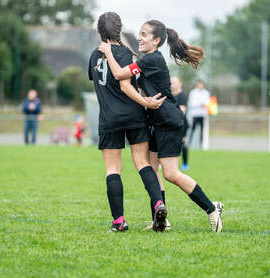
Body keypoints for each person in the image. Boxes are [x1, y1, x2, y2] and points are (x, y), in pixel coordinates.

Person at [99, 19, 224, 232]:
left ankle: (212, 208)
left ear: (156, 40)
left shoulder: (153, 59)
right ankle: (160, 220)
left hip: (168, 120)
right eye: (139, 33)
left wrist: (108, 51)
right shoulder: (147, 59)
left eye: (144, 34)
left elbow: (120, 75)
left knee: (171, 173)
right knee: (152, 168)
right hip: (155, 120)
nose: (139, 37)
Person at [88, 12, 168, 232]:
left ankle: (119, 221)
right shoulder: (125, 53)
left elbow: (103, 84)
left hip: (109, 118)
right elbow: (125, 85)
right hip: (134, 115)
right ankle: (158, 203)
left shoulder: (95, 56)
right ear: (119, 29)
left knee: (113, 169)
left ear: (99, 31)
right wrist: (144, 101)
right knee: (142, 163)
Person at [171, 77, 189, 170]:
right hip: (172, 123)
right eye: (171, 82)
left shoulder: (182, 96)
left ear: (180, 83)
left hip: (182, 124)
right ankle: (170, 164)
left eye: (175, 82)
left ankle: (185, 164)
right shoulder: (169, 95)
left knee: (181, 144)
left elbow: (182, 111)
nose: (173, 84)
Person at [188, 80, 210, 148]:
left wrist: (202, 103)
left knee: (202, 131)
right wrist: (201, 103)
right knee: (193, 129)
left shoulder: (206, 92)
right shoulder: (193, 92)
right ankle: (189, 144)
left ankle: (202, 145)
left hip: (203, 114)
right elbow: (192, 103)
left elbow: (207, 103)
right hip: (195, 114)